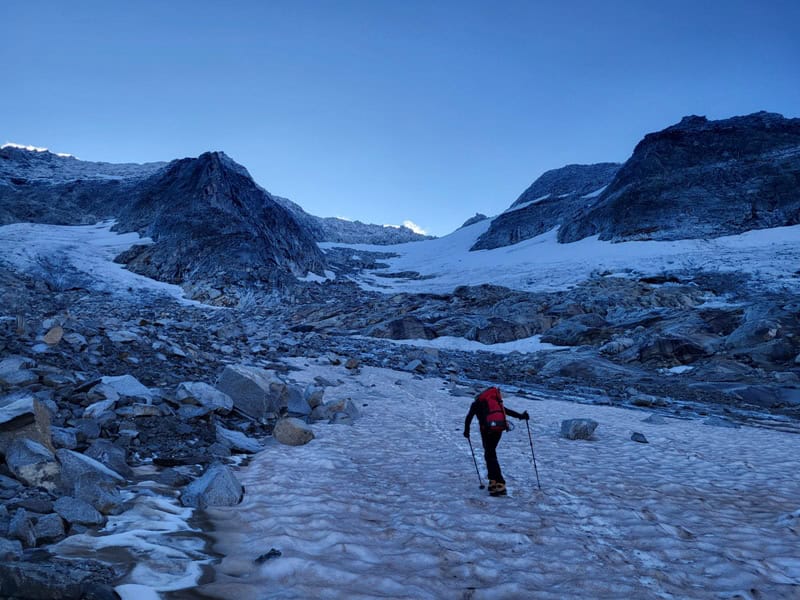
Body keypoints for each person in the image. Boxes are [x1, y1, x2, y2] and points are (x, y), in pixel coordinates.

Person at [463, 387, 529, 496]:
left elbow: (468, 417)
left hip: (487, 431)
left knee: (490, 455)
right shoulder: (495, 402)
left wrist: (466, 431)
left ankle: (499, 484)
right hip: (498, 430)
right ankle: (492, 481)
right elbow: (506, 411)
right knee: (490, 453)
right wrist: (521, 416)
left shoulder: (476, 403)